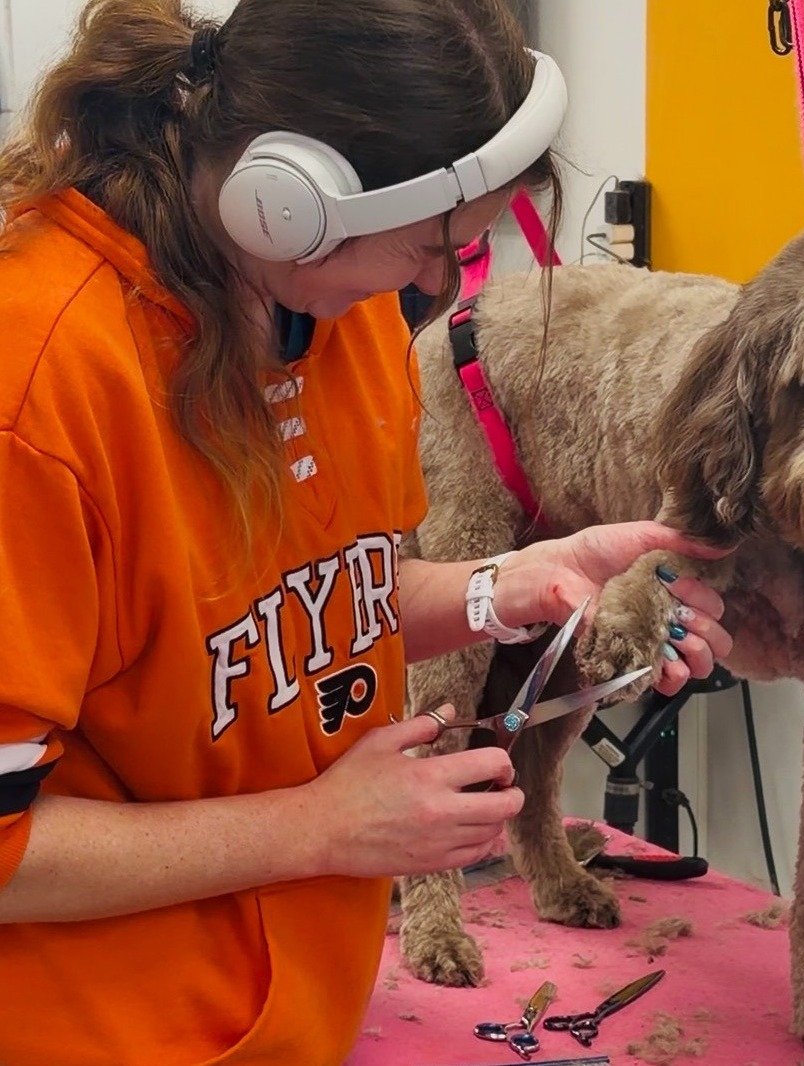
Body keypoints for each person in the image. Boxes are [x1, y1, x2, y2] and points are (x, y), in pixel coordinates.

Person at [0, 1, 733, 1063]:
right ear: (285, 201)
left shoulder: (339, 317)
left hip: (298, 1012)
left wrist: (512, 584)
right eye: (433, 245)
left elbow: (327, 603)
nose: (442, 281)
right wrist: (321, 827)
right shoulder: (39, 389)